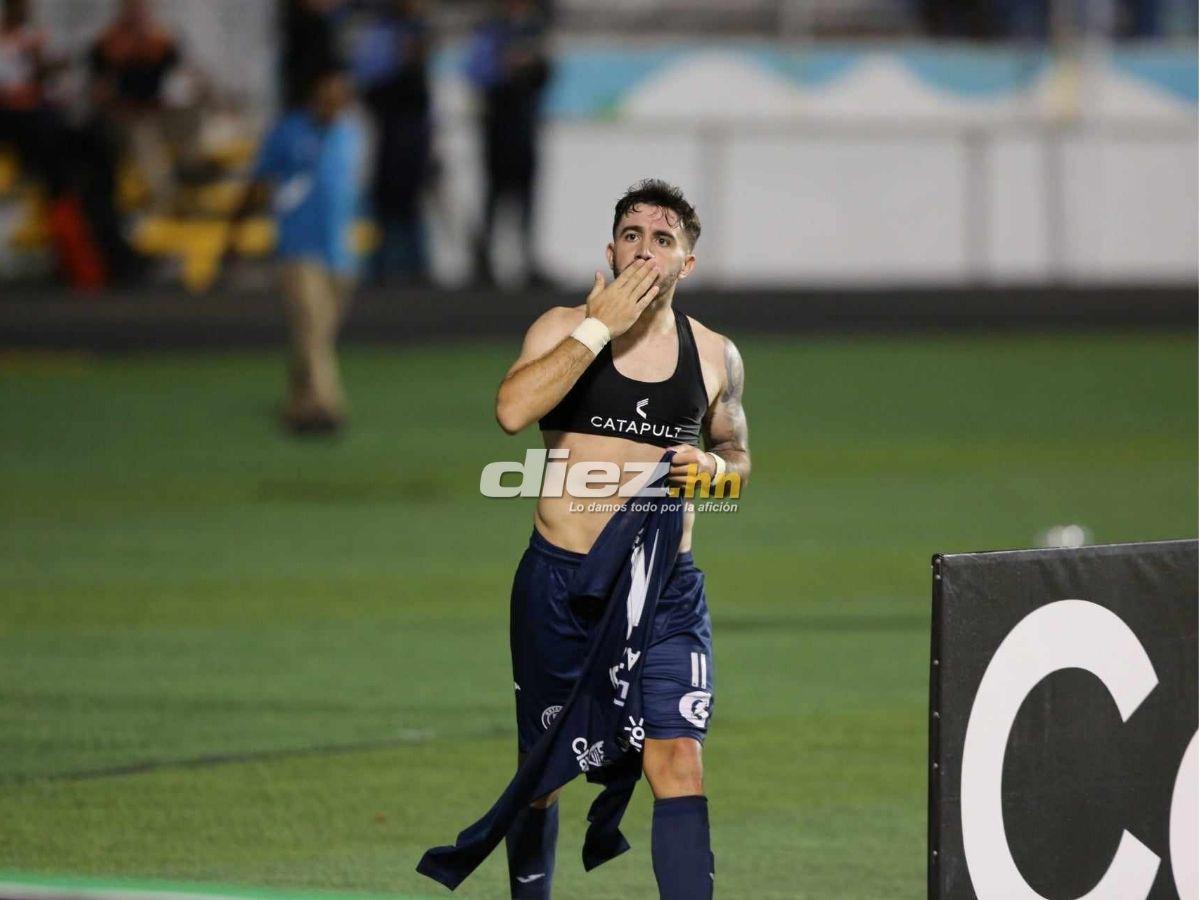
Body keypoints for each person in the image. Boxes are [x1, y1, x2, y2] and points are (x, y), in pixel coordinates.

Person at [490, 179, 751, 898]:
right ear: (610, 250)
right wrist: (596, 328)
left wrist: (714, 470)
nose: (645, 250)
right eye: (632, 236)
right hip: (561, 590)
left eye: (663, 240)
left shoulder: (715, 355)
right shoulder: (558, 328)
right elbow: (512, 412)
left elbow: (737, 467)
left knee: (678, 763)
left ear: (685, 265)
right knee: (540, 778)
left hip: (665, 591)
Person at [226, 66, 365, 434]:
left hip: (340, 251)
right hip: (299, 247)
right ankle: (326, 407)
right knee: (312, 326)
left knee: (316, 333)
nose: (336, 103)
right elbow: (258, 184)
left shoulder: (349, 134)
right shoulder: (288, 132)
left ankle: (298, 402)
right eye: (329, 95)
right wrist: (234, 235)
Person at [466, 0, 552, 287]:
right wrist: (507, 67)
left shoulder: (535, 29)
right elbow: (477, 73)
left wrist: (529, 64)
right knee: (495, 196)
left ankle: (526, 260)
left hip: (524, 128)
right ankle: (484, 262)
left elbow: (545, 74)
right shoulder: (491, 32)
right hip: (499, 129)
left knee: (525, 198)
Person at [353, 0, 432, 285]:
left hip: (414, 134)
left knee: (411, 202)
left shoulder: (419, 32)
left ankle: (414, 267)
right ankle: (380, 266)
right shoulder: (383, 35)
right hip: (389, 134)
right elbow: (370, 88)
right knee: (386, 201)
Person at [88, 0, 191, 213]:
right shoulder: (109, 43)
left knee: (194, 113)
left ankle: (193, 174)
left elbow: (179, 72)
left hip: (155, 112)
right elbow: (97, 87)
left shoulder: (160, 40)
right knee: (143, 134)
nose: (139, 14)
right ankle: (164, 200)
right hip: (122, 118)